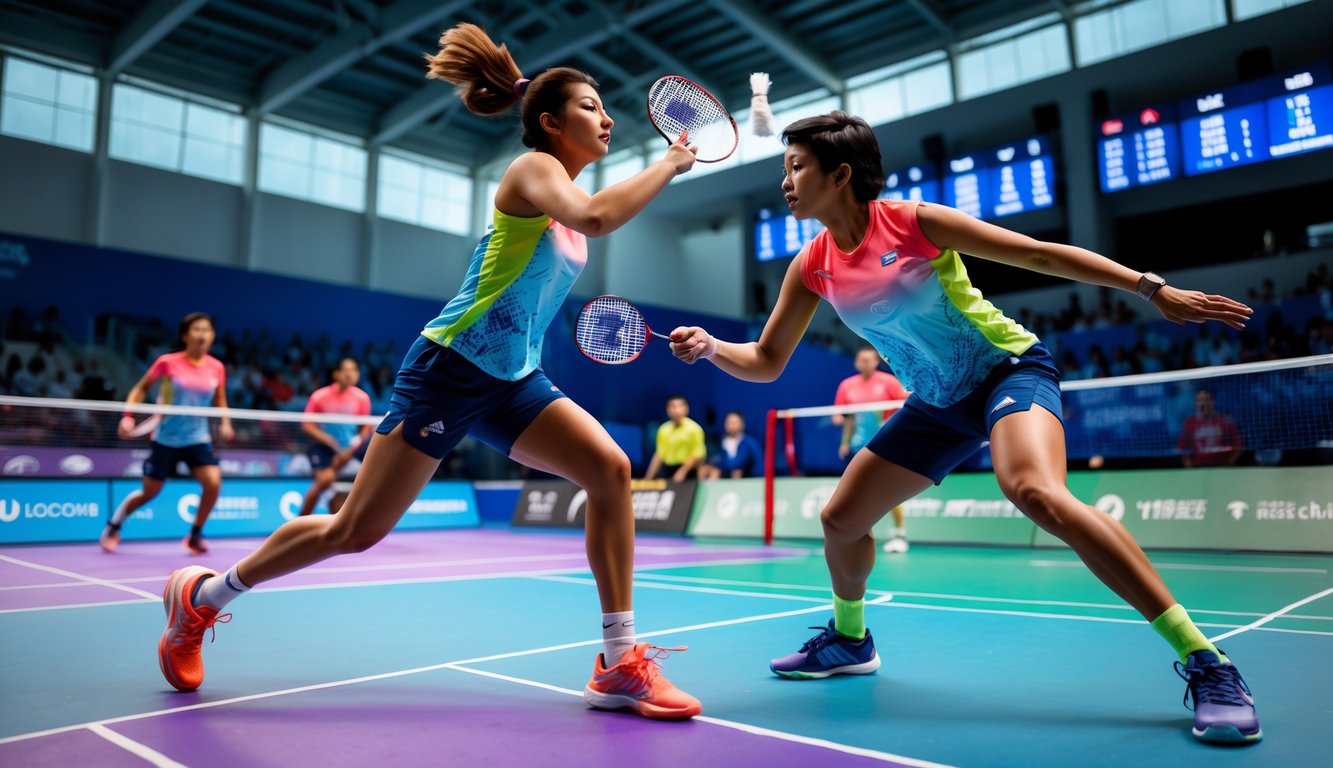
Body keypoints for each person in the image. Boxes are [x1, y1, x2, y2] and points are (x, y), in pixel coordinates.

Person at [154, 23, 701, 720]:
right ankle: (203, 597)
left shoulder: (563, 206)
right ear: (548, 122)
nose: (606, 118)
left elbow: (563, 250)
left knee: (610, 469)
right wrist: (668, 163)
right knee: (355, 530)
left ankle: (620, 662)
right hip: (450, 367)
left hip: (512, 377)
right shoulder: (533, 170)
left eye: (603, 108)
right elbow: (597, 216)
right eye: (590, 107)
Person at [667, 112, 1261, 744]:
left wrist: (1149, 287)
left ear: (839, 175)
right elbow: (766, 360)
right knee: (840, 520)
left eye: (796, 168)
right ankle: (850, 640)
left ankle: (1207, 660)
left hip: (1007, 370)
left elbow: (1037, 254)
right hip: (937, 402)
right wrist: (712, 347)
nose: (785, 183)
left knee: (1035, 491)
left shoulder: (913, 222)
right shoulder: (810, 264)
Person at [101, 313, 234, 555]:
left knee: (213, 484)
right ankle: (114, 525)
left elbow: (220, 399)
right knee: (149, 492)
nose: (203, 334)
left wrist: (226, 422)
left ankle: (195, 535)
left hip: (197, 437)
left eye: (207, 330)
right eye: (197, 329)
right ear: (185, 335)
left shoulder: (217, 367)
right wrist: (128, 416)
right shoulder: (167, 362)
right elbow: (140, 388)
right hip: (166, 437)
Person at [834, 346, 911, 553]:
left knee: (889, 489)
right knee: (857, 492)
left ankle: (899, 535)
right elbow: (845, 418)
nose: (864, 363)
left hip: (885, 442)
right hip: (858, 446)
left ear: (876, 362)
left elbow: (906, 408)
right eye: (860, 359)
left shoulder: (889, 382)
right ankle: (860, 536)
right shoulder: (847, 386)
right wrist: (845, 442)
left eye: (868, 359)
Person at [297, 357, 374, 517]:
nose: (350, 374)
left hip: (349, 452)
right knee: (325, 480)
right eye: (346, 370)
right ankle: (300, 521)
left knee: (341, 495)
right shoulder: (319, 396)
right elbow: (307, 425)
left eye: (354, 370)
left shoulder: (362, 398)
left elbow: (366, 428)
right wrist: (328, 440)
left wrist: (351, 449)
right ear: (336, 374)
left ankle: (332, 525)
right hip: (324, 449)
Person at [643, 394, 706, 482]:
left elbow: (698, 455)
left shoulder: (695, 429)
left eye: (679, 406)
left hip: (689, 473)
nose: (676, 410)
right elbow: (659, 455)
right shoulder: (663, 429)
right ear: (667, 410)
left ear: (686, 409)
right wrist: (648, 478)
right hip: (669, 471)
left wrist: (683, 471)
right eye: (672, 407)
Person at [1178, 388, 1243, 467]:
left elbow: (1238, 446)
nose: (1203, 403)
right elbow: (1181, 447)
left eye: (1206, 399)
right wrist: (1188, 464)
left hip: (1222, 466)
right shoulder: (1190, 422)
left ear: (1213, 401)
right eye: (1199, 400)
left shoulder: (1225, 421)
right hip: (1199, 467)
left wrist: (1229, 464)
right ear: (1195, 403)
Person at [698, 410, 762, 479]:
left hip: (747, 479)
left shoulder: (751, 443)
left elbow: (758, 467)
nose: (731, 426)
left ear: (742, 424)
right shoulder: (718, 443)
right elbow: (713, 460)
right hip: (723, 478)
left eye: (734, 423)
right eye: (729, 423)